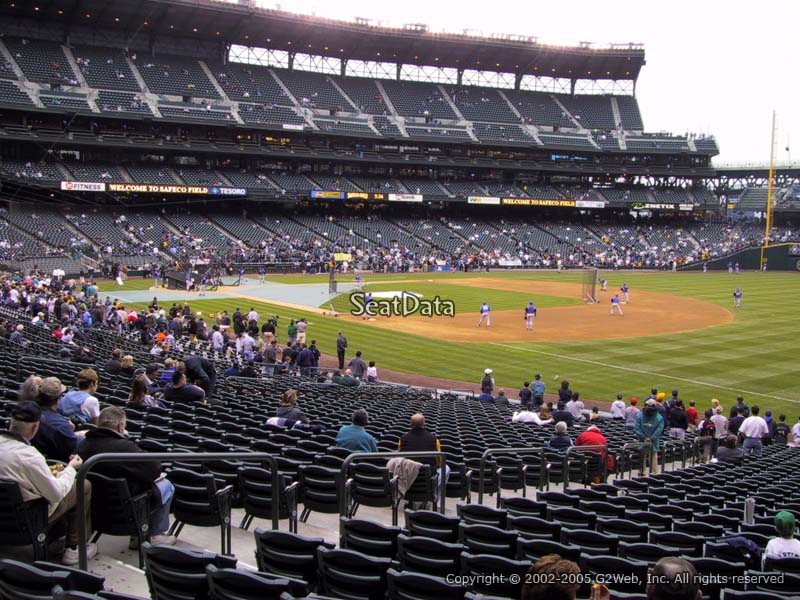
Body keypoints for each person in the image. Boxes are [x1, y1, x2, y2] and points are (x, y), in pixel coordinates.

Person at [0, 401, 96, 565]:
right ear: (34, 428)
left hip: (7, 513)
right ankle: (74, 548)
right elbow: (56, 493)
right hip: (27, 518)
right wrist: (71, 468)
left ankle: (59, 537)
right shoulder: (29, 456)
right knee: (83, 485)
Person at [77, 407, 176, 547]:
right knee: (166, 485)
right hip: (126, 508)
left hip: (96, 509)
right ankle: (154, 535)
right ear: (120, 426)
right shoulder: (124, 447)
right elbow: (154, 469)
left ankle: (140, 535)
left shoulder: (83, 444)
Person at [33, 377, 83, 462]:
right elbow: (77, 445)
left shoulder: (28, 411)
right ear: (59, 398)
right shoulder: (59, 425)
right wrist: (82, 435)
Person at [397, 413, 448, 483]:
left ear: (410, 424)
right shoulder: (434, 439)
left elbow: (400, 458)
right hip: (428, 477)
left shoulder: (402, 439)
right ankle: (438, 493)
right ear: (424, 424)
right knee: (446, 468)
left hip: (408, 477)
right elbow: (439, 462)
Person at [634, 399, 665, 474]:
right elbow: (659, 430)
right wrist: (651, 438)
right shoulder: (659, 417)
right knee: (653, 457)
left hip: (643, 441)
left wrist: (644, 438)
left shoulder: (639, 415)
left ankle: (642, 472)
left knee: (644, 456)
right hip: (652, 442)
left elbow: (636, 428)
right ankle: (654, 474)